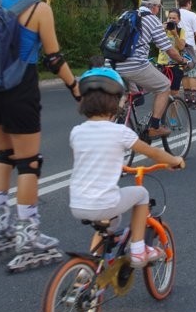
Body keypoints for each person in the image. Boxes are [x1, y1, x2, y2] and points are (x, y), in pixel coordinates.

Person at [0, 0, 81, 272]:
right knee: (28, 163)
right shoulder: (39, 9)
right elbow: (54, 58)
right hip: (18, 88)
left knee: (3, 156)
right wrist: (76, 89)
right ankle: (28, 234)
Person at [68, 66, 185, 268]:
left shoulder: (77, 132)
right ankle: (138, 250)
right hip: (103, 202)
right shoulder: (120, 132)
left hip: (78, 203)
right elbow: (153, 153)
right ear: (116, 102)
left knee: (108, 227)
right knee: (141, 194)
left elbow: (91, 158)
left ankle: (87, 273)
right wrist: (174, 160)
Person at [112, 0, 186, 139]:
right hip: (135, 65)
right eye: (159, 7)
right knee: (164, 85)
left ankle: (118, 119)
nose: (158, 10)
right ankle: (154, 127)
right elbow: (169, 50)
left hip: (112, 64)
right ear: (154, 7)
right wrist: (183, 61)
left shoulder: (125, 15)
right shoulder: (152, 20)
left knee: (130, 94)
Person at [177, 0, 196, 108]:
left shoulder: (174, 14)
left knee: (184, 73)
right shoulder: (192, 15)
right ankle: (195, 98)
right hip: (190, 46)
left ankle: (187, 97)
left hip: (179, 47)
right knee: (193, 73)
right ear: (188, 3)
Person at [157, 9, 187, 98]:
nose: (171, 20)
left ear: (179, 20)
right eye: (170, 18)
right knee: (162, 92)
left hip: (176, 64)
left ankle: (173, 112)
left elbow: (181, 47)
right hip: (163, 64)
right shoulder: (163, 30)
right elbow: (157, 46)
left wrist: (175, 35)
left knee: (174, 92)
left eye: (174, 18)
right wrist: (162, 30)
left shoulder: (181, 31)